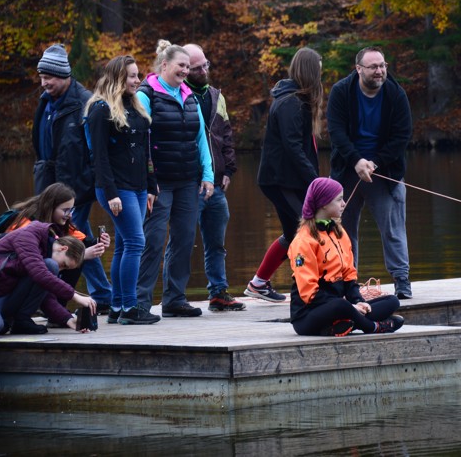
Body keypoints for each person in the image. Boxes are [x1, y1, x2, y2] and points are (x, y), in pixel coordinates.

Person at [135, 40, 215, 317]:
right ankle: (140, 301)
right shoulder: (147, 95)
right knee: (153, 240)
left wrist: (207, 174)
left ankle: (174, 299)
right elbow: (141, 140)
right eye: (181, 66)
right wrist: (148, 182)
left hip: (187, 180)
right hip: (159, 183)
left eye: (188, 67)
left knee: (183, 239)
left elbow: (201, 138)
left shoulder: (189, 95)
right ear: (164, 65)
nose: (186, 71)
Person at [327, 46, 413, 299]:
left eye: (383, 65)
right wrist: (356, 161)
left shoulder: (396, 94)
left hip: (383, 171)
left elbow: (401, 137)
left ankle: (401, 280)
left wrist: (374, 163)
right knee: (343, 230)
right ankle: (347, 281)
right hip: (347, 169)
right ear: (359, 69)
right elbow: (336, 132)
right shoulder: (341, 92)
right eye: (374, 66)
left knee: (393, 227)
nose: (380, 71)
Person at [31, 43, 112, 311]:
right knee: (76, 236)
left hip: (76, 184)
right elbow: (41, 141)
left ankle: (99, 294)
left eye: (49, 78)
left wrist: (91, 182)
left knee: (73, 236)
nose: (44, 83)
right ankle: (100, 293)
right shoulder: (46, 102)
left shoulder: (84, 103)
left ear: (64, 75)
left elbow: (96, 148)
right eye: (42, 77)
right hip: (50, 182)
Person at [85, 56, 160, 325]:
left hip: (139, 186)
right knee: (136, 243)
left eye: (137, 75)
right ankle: (130, 307)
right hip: (115, 189)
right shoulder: (100, 110)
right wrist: (112, 192)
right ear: (118, 78)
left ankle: (117, 306)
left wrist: (151, 186)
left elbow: (145, 150)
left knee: (126, 245)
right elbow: (100, 158)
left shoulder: (136, 107)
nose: (137, 80)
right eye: (131, 76)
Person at [245, 47, 323, 303]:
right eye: (319, 67)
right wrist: (316, 181)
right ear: (310, 70)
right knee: (308, 230)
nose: (321, 72)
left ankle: (259, 283)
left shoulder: (298, 99)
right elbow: (292, 146)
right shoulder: (290, 102)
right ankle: (310, 287)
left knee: (294, 234)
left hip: (290, 179)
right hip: (279, 180)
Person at [288, 177, 404, 336]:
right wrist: (349, 307)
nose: (344, 203)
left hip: (342, 307)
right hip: (308, 315)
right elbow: (309, 293)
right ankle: (373, 327)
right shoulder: (303, 241)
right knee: (340, 306)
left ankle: (342, 325)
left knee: (392, 301)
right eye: (339, 199)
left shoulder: (340, 233)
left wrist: (358, 302)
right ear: (324, 203)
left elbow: (349, 276)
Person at [183, 43, 245, 312]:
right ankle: (174, 296)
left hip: (217, 183)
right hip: (189, 181)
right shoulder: (180, 95)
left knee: (216, 243)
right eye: (197, 68)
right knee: (182, 241)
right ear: (185, 70)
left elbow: (226, 135)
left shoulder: (217, 96)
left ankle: (218, 293)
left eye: (205, 65)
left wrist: (229, 170)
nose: (203, 71)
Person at [0, 221, 95, 338]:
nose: (61, 269)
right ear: (63, 248)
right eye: (64, 265)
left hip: (10, 296)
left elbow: (45, 295)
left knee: (50, 266)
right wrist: (75, 295)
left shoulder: (45, 252)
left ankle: (21, 321)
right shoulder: (28, 236)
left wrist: (67, 319)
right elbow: (40, 274)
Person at [7, 183, 110, 290]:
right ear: (51, 207)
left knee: (74, 253)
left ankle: (60, 303)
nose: (70, 215)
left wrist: (99, 241)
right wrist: (82, 255)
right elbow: (32, 261)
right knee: (71, 258)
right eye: (66, 210)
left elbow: (80, 239)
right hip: (16, 277)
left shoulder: (58, 220)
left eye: (71, 210)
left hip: (36, 274)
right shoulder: (26, 226)